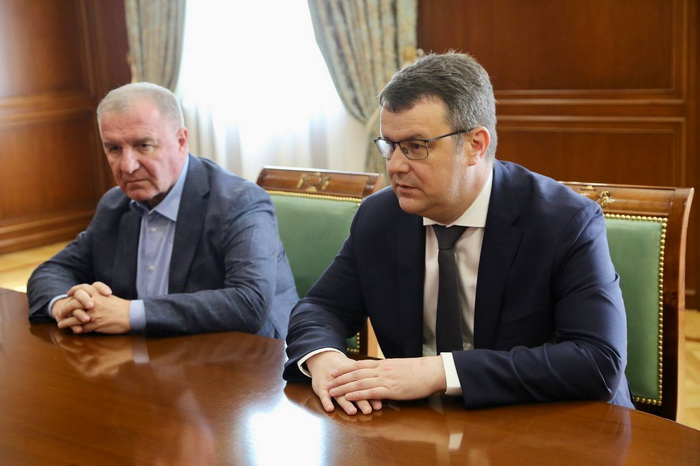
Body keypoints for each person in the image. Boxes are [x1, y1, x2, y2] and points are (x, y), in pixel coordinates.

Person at [283, 52, 634, 415]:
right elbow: (322, 307)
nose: (395, 166)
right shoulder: (381, 216)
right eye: (389, 145)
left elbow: (598, 360)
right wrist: (325, 359)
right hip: (424, 425)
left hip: (553, 424)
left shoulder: (563, 221)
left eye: (415, 147)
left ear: (475, 145)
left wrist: (439, 372)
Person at [28, 82, 298, 337]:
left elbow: (248, 303)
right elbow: (51, 271)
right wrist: (65, 304)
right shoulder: (115, 205)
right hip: (154, 353)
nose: (127, 166)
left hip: (251, 356)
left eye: (143, 146)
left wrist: (129, 313)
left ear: (181, 141)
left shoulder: (239, 202)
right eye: (114, 149)